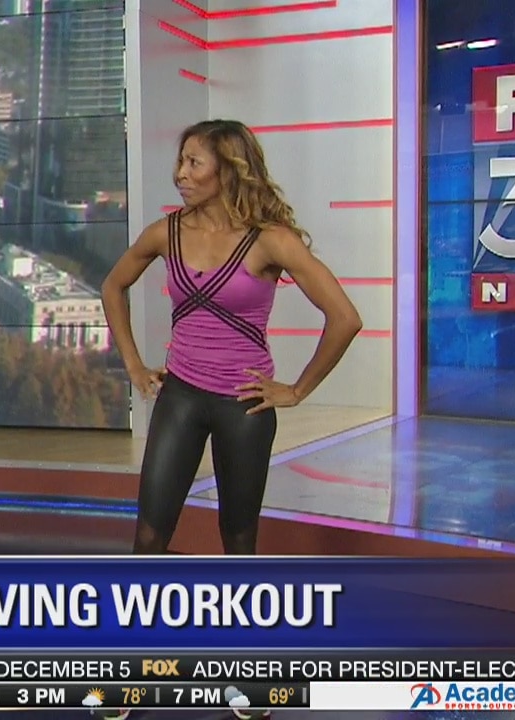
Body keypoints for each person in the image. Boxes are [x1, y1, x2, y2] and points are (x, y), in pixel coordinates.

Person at [101, 119, 363, 558]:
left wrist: (297, 390)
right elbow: (113, 286)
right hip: (180, 396)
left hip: (244, 406)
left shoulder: (271, 240)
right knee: (148, 537)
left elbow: (345, 318)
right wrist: (133, 365)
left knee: (239, 541)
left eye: (194, 163)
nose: (180, 174)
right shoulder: (166, 232)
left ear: (227, 171)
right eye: (181, 162)